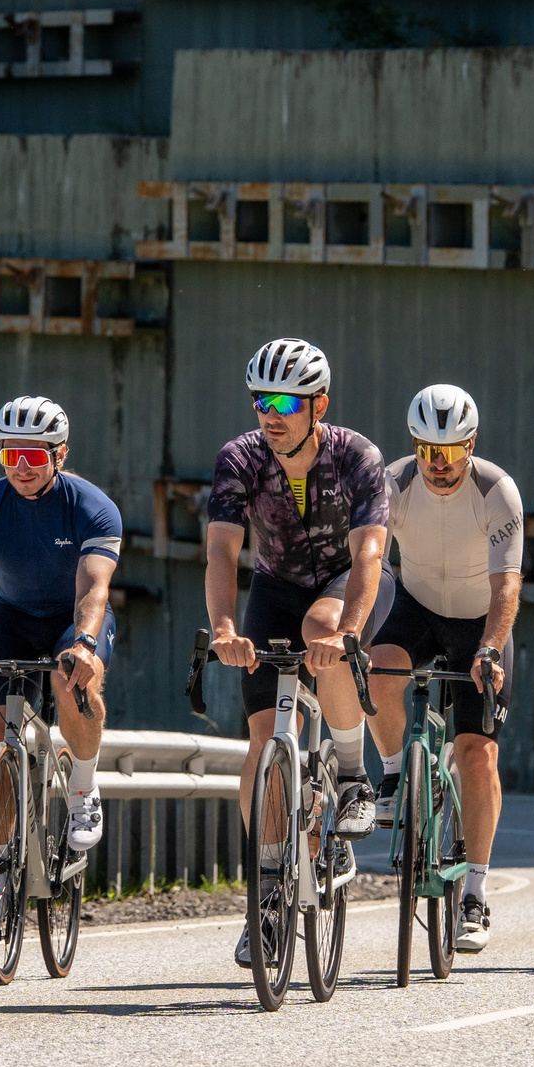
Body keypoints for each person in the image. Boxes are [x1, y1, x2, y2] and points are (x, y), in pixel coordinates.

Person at [205, 337, 393, 967]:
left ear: (319, 404)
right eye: (262, 400)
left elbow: (370, 553)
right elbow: (223, 552)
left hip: (349, 584)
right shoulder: (241, 459)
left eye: (286, 400)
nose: (271, 413)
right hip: (275, 588)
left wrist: (350, 632)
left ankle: (350, 771)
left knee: (323, 631)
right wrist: (226, 629)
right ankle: (265, 896)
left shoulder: (357, 456)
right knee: (264, 747)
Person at [0, 395, 122, 933]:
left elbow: (94, 588)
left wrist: (86, 643)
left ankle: (84, 788)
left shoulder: (93, 507)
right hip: (15, 618)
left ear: (60, 455)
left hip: (75, 620)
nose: (22, 468)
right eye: (10, 457)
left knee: (70, 677)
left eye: (34, 456)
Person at [368, 383, 523, 954]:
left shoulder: (497, 492)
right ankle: (391, 773)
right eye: (428, 450)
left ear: (470, 446)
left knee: (477, 755)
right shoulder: (393, 483)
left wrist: (490, 648)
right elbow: (371, 559)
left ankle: (477, 894)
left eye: (451, 452)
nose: (437, 465)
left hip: (478, 622)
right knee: (377, 672)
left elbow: (507, 584)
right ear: (415, 445)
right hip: (416, 607)